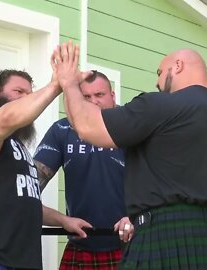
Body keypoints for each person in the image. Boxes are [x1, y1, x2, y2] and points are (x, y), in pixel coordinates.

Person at [51, 41, 207, 269]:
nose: (157, 82)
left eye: (159, 72)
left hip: (163, 238)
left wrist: (69, 83)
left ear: (177, 66)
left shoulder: (158, 105)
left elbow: (87, 127)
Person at [0, 67, 93, 270]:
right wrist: (57, 85)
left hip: (21, 261)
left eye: (29, 94)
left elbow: (24, 201)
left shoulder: (16, 146)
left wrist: (64, 220)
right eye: (18, 92)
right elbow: (5, 118)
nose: (26, 99)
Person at [33, 70, 133, 270]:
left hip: (129, 244)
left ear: (113, 96)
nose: (93, 101)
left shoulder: (132, 126)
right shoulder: (61, 130)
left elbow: (160, 183)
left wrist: (137, 215)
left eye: (100, 95)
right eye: (86, 97)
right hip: (81, 244)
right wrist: (63, 220)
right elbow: (27, 190)